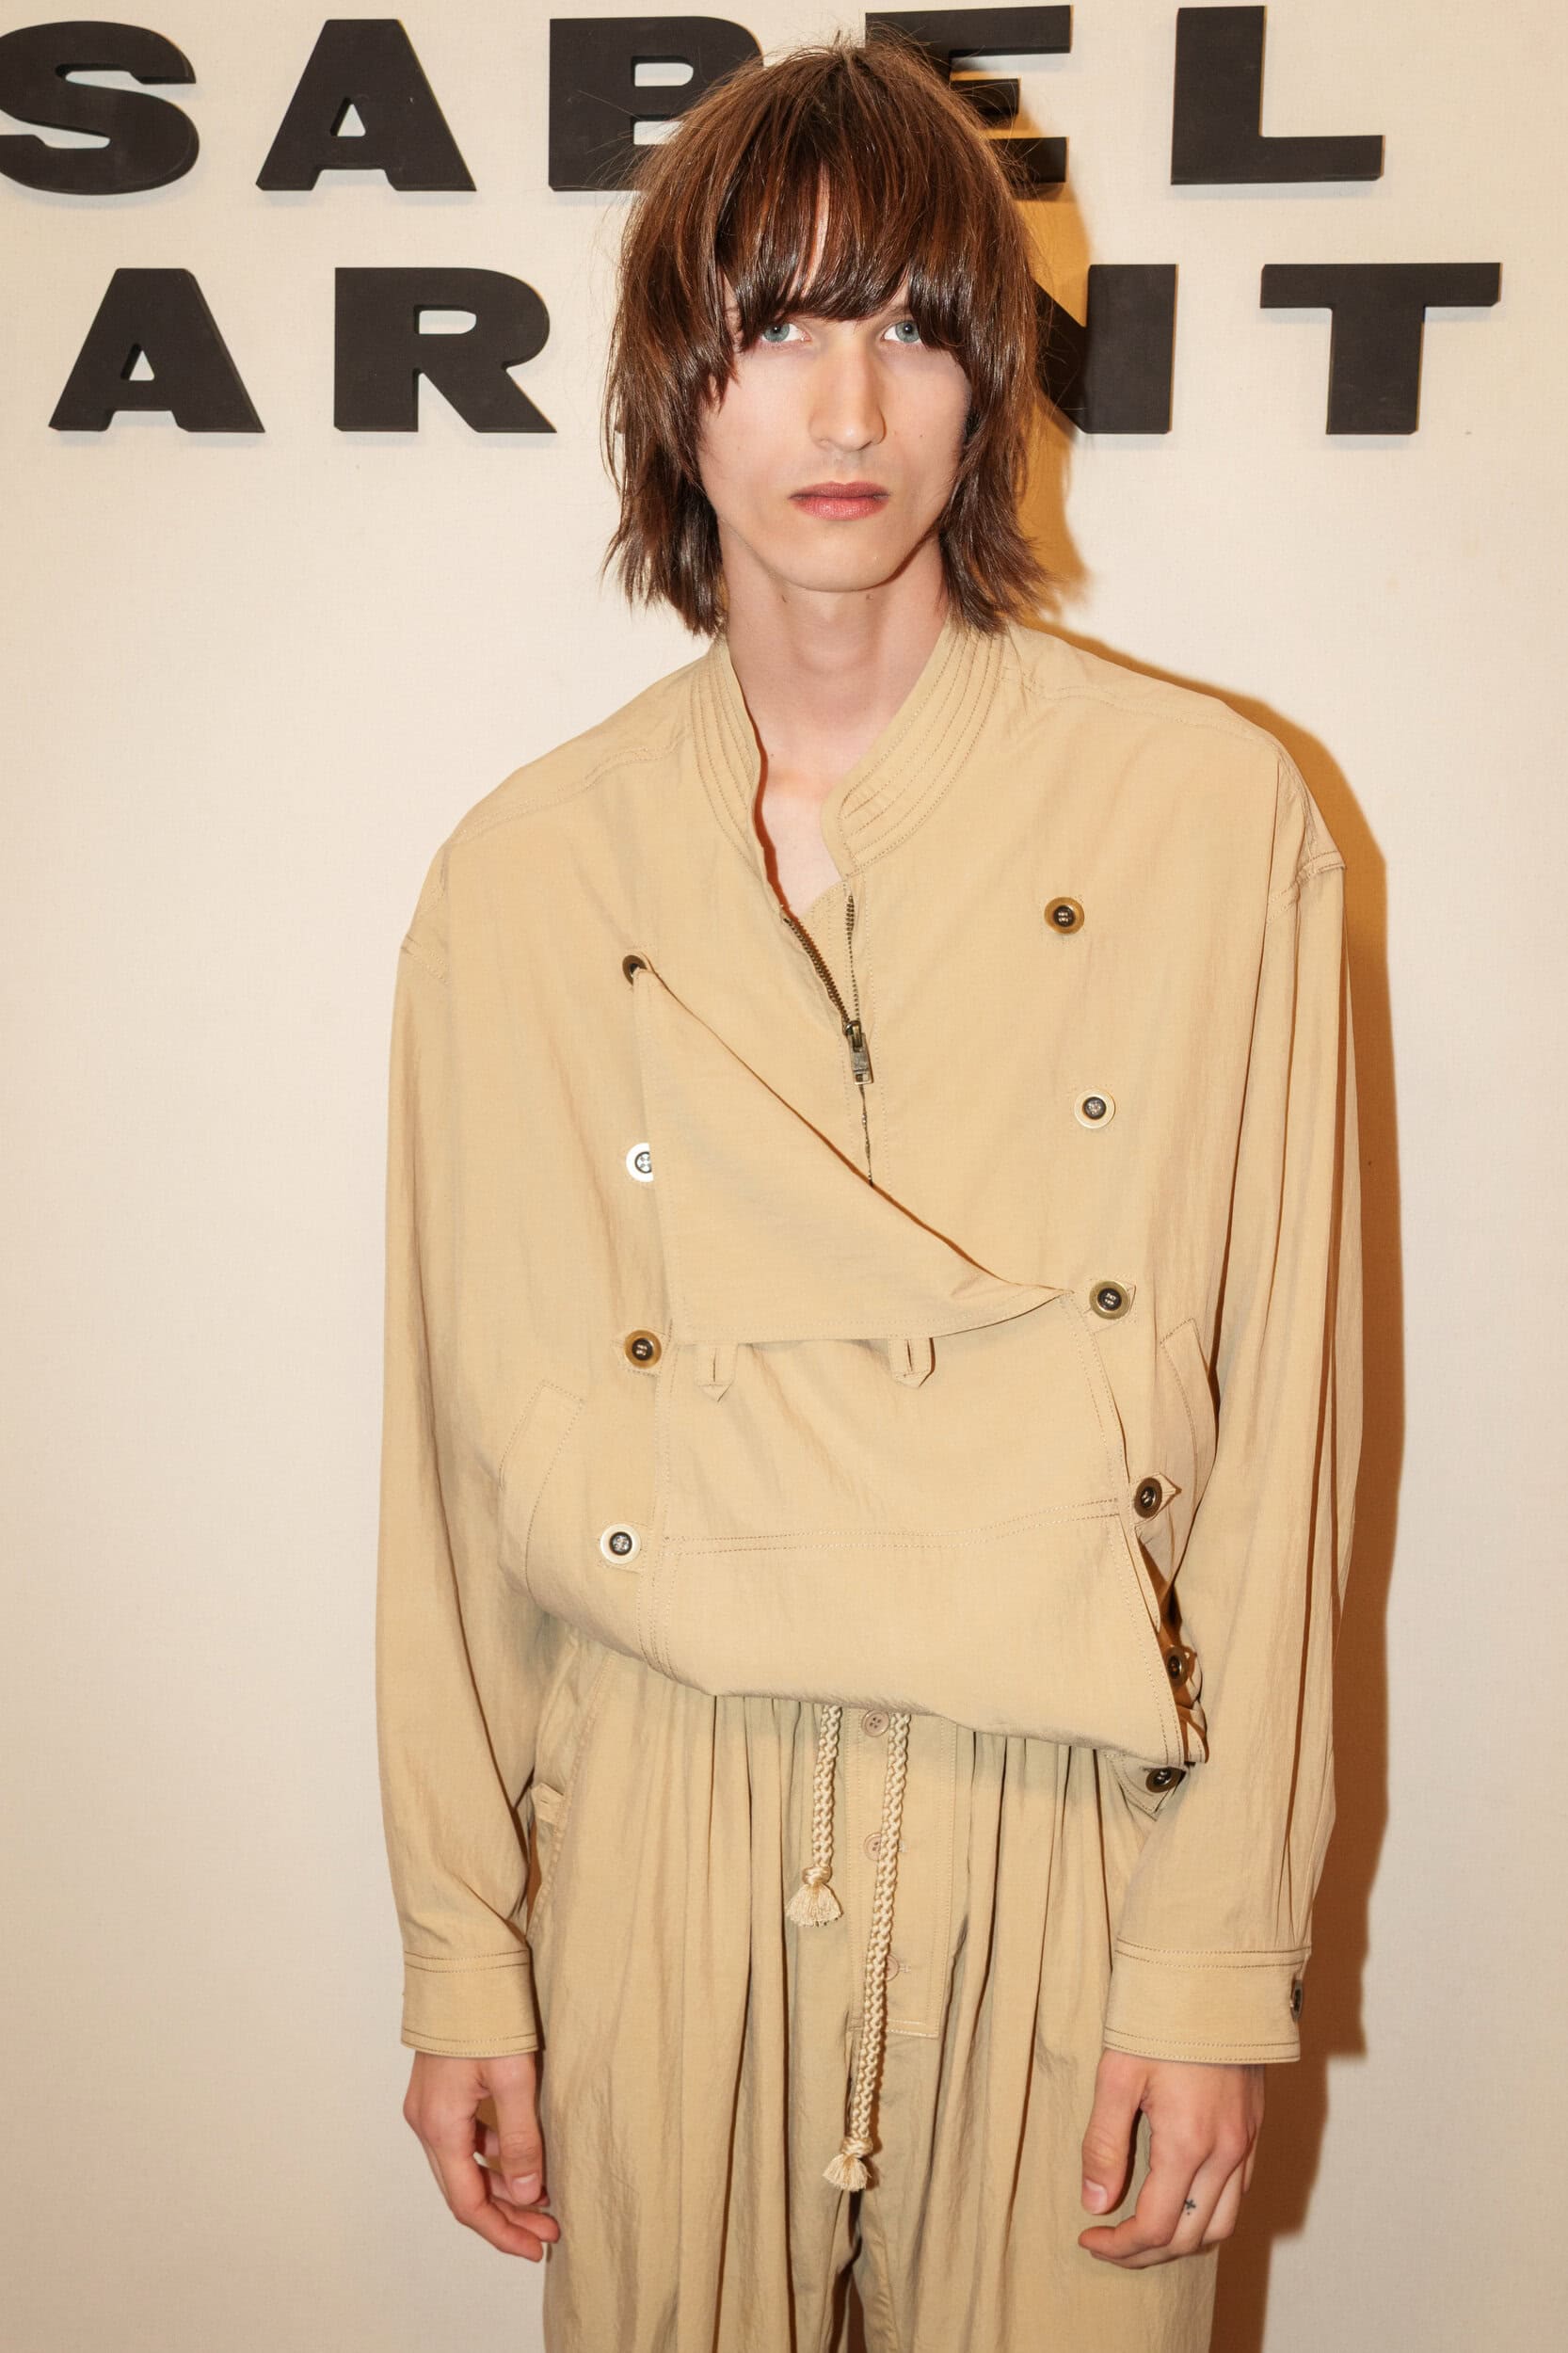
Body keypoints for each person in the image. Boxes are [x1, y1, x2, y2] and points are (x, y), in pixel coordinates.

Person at [374, 30, 1363, 2353]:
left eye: (911, 328)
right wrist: (461, 1942)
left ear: (990, 375)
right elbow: (451, 1456)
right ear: (673, 381)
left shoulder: (1207, 823)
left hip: (1070, 1816)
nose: (845, 407)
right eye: (776, 327)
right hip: (658, 1821)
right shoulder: (525, 874)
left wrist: (1210, 1953)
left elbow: (1277, 1434)